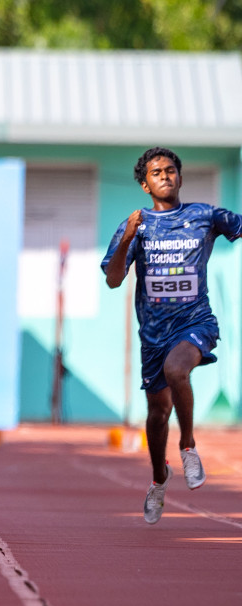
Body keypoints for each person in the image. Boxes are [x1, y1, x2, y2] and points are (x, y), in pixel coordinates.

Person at [101, 147, 242, 524]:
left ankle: (189, 445)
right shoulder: (137, 223)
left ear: (179, 177)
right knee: (157, 412)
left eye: (170, 170)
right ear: (145, 184)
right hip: (153, 333)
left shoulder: (204, 215)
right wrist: (129, 236)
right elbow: (114, 279)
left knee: (178, 370)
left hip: (195, 322)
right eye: (156, 172)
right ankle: (159, 478)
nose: (164, 176)